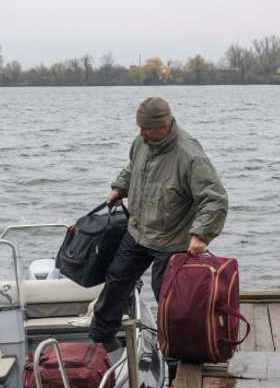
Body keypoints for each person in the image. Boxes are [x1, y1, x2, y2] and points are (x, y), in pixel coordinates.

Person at [89, 97, 228, 351]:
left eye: (148, 129)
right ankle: (101, 337)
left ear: (165, 124)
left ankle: (174, 352)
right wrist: (119, 188)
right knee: (116, 280)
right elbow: (133, 168)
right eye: (140, 128)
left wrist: (201, 234)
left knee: (170, 300)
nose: (142, 133)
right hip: (138, 231)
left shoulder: (190, 156)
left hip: (172, 240)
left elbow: (215, 199)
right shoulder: (141, 142)